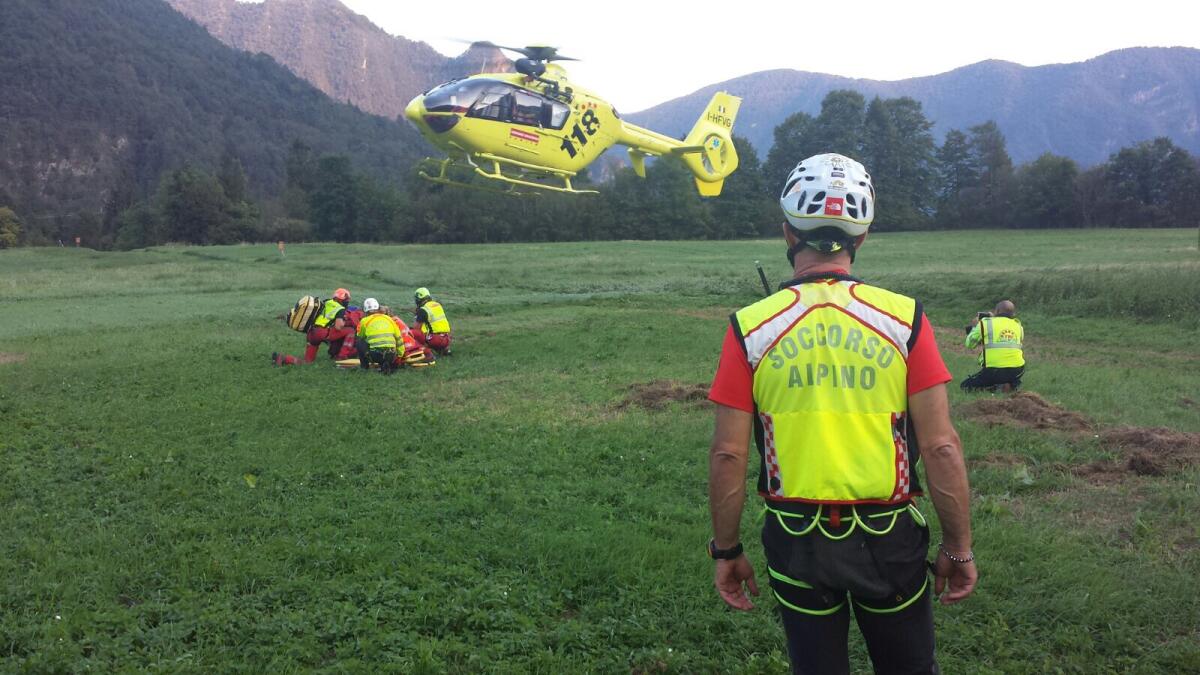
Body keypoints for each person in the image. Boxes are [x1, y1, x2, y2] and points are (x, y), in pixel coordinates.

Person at [707, 153, 977, 675]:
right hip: (889, 538)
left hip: (796, 539)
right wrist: (959, 549)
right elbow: (942, 445)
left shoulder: (750, 327)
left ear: (788, 234)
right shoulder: (905, 320)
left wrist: (727, 550)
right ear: (863, 237)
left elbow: (728, 453)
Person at [274, 288, 355, 366]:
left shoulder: (326, 302)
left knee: (307, 362)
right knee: (351, 331)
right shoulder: (340, 308)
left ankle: (284, 359)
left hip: (311, 333)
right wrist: (345, 322)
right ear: (341, 299)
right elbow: (338, 326)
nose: (347, 302)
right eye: (346, 300)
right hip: (322, 333)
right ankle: (342, 357)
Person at [962, 300, 1025, 392]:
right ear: (1013, 313)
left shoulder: (985, 323)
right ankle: (1011, 384)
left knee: (966, 386)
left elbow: (969, 344)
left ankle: (995, 388)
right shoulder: (1018, 326)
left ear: (997, 311)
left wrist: (975, 326)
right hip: (1017, 369)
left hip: (994, 369)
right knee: (1010, 377)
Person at [355, 297, 403, 374]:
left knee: (359, 341)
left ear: (365, 311)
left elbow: (360, 336)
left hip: (375, 355)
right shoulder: (389, 319)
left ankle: (364, 367)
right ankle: (386, 364)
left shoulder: (364, 321)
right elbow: (399, 338)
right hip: (391, 355)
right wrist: (399, 356)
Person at [411, 287, 452, 355]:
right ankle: (445, 350)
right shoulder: (437, 305)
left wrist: (417, 316)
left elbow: (416, 328)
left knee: (413, 332)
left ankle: (425, 352)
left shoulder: (423, 310)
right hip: (447, 338)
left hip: (435, 339)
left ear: (419, 299)